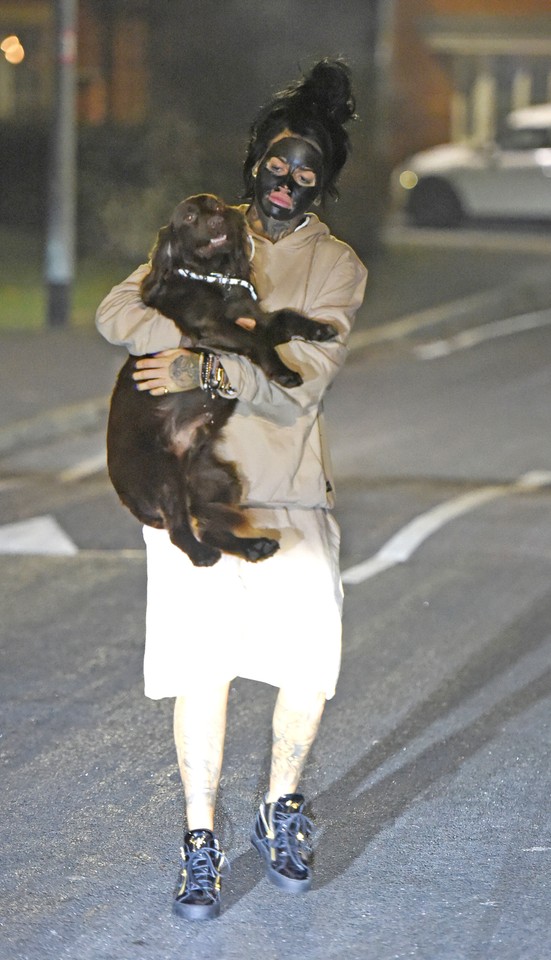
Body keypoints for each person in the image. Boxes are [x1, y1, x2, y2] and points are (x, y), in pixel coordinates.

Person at [96, 57, 367, 920]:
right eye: (278, 167)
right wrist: (177, 333)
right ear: (256, 162)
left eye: (307, 176)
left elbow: (301, 377)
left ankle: (280, 802)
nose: (287, 186)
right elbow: (115, 310)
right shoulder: (208, 229)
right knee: (200, 668)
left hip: (287, 490)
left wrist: (206, 363)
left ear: (324, 186)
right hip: (191, 495)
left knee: (308, 664)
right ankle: (199, 839)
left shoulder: (336, 267)